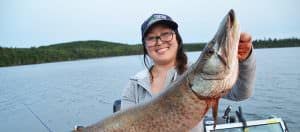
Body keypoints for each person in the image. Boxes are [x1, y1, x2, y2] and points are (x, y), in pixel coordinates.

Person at [120, 13, 256, 131]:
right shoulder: (134, 85)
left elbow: (241, 93)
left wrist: (245, 59)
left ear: (177, 40)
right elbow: (125, 126)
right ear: (145, 46)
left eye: (166, 34)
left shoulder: (198, 74)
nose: (159, 41)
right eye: (151, 38)